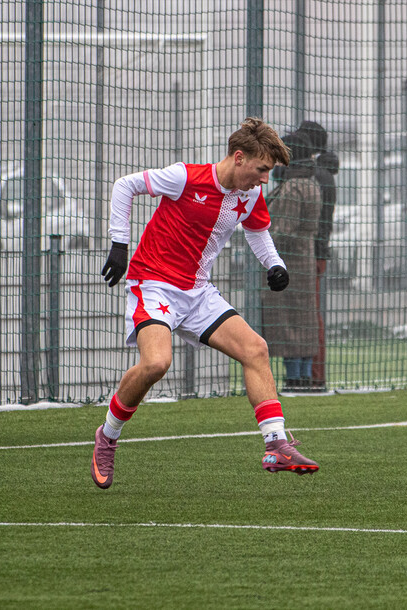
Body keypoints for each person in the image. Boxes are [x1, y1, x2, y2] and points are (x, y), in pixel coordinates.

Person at [92, 117, 319, 489]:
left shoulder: (249, 194)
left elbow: (258, 232)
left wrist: (275, 264)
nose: (265, 179)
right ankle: (108, 435)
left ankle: (277, 445)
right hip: (155, 285)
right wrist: (119, 243)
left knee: (256, 349)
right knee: (156, 364)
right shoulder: (185, 177)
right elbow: (125, 186)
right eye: (261, 169)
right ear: (239, 157)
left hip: (198, 293)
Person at [261, 131, 322, 391]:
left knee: (288, 324)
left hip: (289, 264)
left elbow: (283, 231)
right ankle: (303, 377)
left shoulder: (292, 187)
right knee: (304, 322)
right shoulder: (312, 183)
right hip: (305, 259)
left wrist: (262, 242)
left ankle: (294, 379)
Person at [297, 119, 338, 392]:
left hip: (311, 254)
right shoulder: (323, 174)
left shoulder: (317, 176)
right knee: (310, 315)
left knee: (310, 317)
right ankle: (312, 375)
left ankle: (314, 376)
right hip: (315, 253)